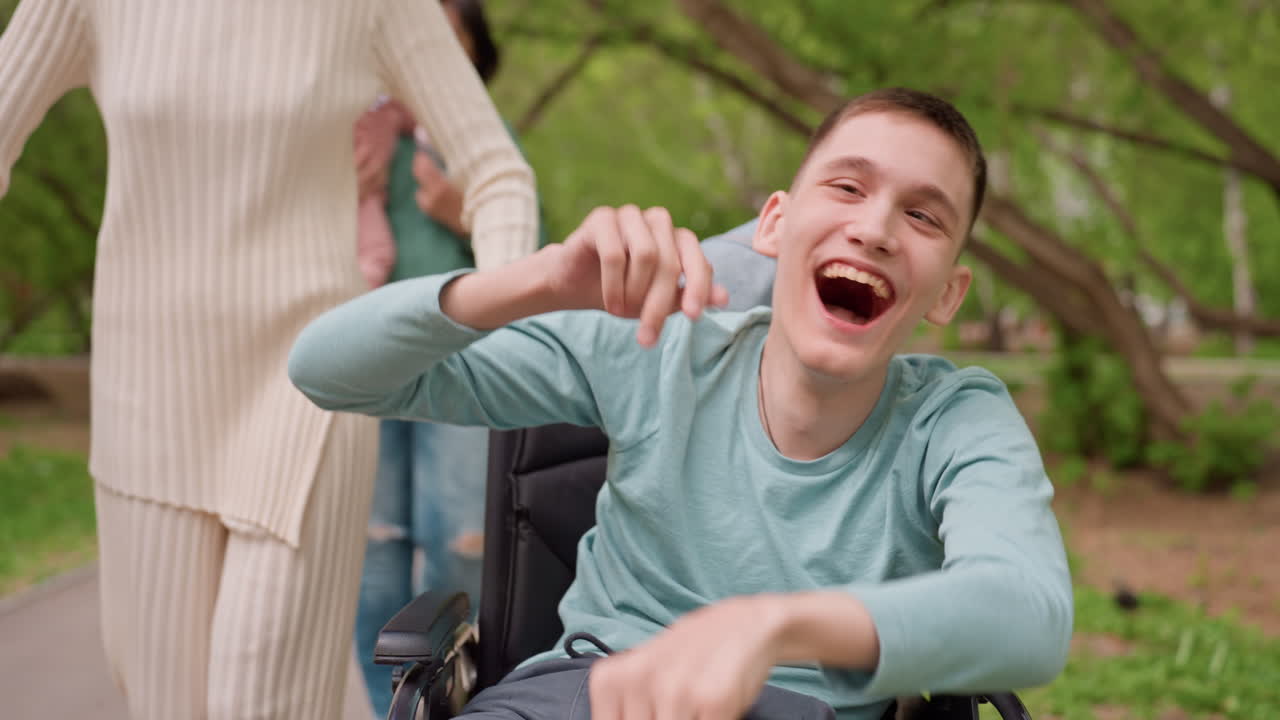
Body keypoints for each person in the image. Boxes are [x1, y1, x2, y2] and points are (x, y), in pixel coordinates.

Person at [289, 88, 1073, 720]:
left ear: (949, 294)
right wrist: (538, 281)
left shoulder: (957, 419)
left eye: (923, 215)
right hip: (578, 693)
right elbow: (326, 370)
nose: (874, 229)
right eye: (846, 186)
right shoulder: (654, 346)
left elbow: (1031, 615)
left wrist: (774, 627)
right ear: (775, 223)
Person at [0, 0, 538, 717]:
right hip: (144, 398)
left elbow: (499, 176)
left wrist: (485, 335)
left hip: (312, 388)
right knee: (166, 702)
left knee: (263, 698)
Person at [348, 2, 542, 716]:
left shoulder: (487, 142)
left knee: (464, 541)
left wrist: (465, 215)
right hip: (365, 363)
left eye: (445, 30)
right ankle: (386, 708)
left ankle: (473, 698)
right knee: (372, 553)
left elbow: (537, 253)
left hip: (464, 364)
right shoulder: (351, 135)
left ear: (469, 50)